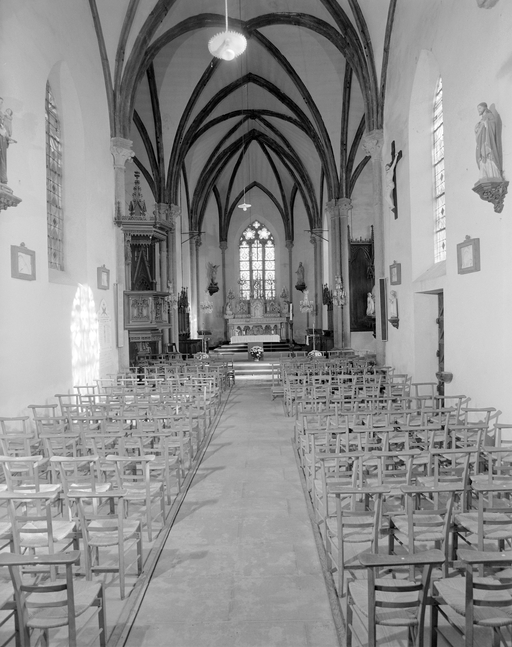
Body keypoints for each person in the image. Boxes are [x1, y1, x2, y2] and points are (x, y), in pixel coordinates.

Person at [475, 102, 502, 182]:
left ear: (484, 107)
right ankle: (485, 173)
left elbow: (493, 125)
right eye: (478, 109)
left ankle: (492, 173)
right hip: (482, 142)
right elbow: (478, 133)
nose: (478, 110)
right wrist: (477, 129)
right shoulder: (481, 120)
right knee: (482, 155)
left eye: (480, 108)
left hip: (487, 142)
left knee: (488, 154)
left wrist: (486, 124)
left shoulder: (489, 115)